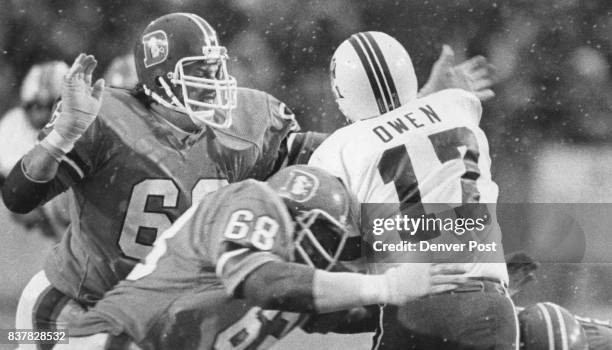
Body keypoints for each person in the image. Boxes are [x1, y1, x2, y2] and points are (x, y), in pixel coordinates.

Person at [3, 13, 300, 347]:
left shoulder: (246, 125)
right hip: (76, 306)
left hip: (159, 316)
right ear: (162, 80)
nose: (215, 82)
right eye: (200, 72)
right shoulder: (108, 120)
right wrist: (61, 137)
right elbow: (18, 196)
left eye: (216, 69)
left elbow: (317, 163)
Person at [51, 165, 467, 350]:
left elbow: (357, 313)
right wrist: (386, 285)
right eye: (328, 235)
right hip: (105, 342)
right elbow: (261, 283)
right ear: (297, 213)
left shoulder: (299, 290)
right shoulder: (255, 200)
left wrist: (449, 301)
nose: (335, 256)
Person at [308, 31, 517, 349]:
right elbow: (410, 129)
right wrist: (432, 93)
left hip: (415, 307)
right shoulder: (459, 105)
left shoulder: (335, 151)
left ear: (342, 93)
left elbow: (341, 251)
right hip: (488, 306)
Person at [0, 61, 71, 241]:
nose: (41, 114)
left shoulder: (82, 124)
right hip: (38, 204)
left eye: (49, 106)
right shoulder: (12, 125)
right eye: (36, 106)